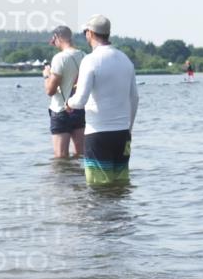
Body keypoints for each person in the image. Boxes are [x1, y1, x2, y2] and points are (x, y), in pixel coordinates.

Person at [64, 15, 139, 185]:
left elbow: (80, 100)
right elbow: (134, 98)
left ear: (90, 33)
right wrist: (129, 129)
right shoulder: (125, 59)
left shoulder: (90, 60)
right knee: (120, 186)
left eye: (85, 32)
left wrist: (68, 103)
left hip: (98, 134)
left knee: (98, 188)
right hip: (122, 134)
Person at [43, 25, 86, 158]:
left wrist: (46, 75)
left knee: (60, 158)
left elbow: (50, 90)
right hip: (79, 109)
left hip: (60, 111)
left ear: (57, 37)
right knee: (81, 155)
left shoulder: (59, 58)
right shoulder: (84, 55)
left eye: (53, 39)